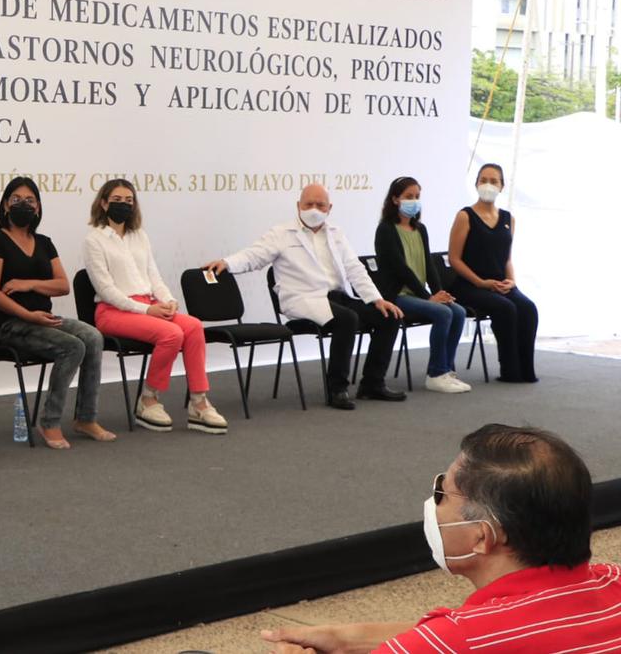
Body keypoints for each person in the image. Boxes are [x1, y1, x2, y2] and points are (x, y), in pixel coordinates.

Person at [263, 424, 621, 653]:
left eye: (442, 493)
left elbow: (457, 638)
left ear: (482, 536)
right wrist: (346, 639)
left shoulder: (451, 642)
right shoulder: (614, 580)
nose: (433, 504)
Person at [205, 184, 405, 410]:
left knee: (389, 316)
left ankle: (372, 383)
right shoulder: (281, 233)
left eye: (320, 205)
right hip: (303, 299)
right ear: (298, 206)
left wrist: (376, 299)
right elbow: (254, 255)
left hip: (337, 296)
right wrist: (227, 263)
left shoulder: (336, 233)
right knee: (347, 319)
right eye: (309, 204)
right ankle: (337, 389)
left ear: (329, 208)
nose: (314, 209)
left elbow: (354, 269)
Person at [0, 176, 116, 450]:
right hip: (6, 324)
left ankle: (86, 418)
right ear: (5, 205)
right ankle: (50, 422)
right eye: (16, 199)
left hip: (41, 319)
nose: (23, 205)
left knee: (93, 337)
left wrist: (29, 284)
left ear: (38, 207)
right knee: (72, 346)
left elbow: (62, 285)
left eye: (30, 200)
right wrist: (28, 316)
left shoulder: (44, 242)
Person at [82, 178, 226, 434]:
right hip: (113, 312)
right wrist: (147, 310)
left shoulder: (139, 236)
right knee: (171, 334)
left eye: (129, 200)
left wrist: (168, 301)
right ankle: (148, 399)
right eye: (117, 200)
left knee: (193, 326)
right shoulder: (94, 240)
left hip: (148, 306)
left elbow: (153, 277)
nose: (124, 205)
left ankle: (199, 402)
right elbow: (106, 290)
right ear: (103, 203)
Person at [373, 176, 470, 394]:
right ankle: (436, 374)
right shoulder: (386, 230)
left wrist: (439, 292)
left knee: (459, 311)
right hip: (398, 296)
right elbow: (401, 269)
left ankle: (447, 370)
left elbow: (428, 265)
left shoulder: (420, 229)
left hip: (419, 295)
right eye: (409, 196)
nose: (414, 201)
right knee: (443, 313)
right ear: (395, 199)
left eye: (417, 196)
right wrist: (428, 298)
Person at [447, 163, 538, 383]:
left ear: (502, 186)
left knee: (528, 308)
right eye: (484, 180)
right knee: (505, 308)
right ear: (476, 183)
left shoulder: (508, 219)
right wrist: (481, 282)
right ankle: (510, 370)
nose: (488, 185)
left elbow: (507, 258)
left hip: (500, 284)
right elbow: (454, 259)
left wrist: (512, 282)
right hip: (470, 285)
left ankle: (526, 370)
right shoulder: (465, 216)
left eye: (493, 181)